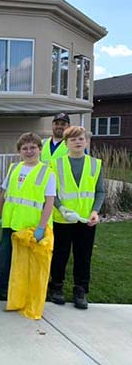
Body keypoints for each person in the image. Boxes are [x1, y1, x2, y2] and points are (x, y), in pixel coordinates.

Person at [0, 132, 56, 299]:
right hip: (10, 223)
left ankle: (24, 292)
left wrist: (41, 227)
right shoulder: (14, 168)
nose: (29, 151)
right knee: (5, 258)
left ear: (40, 149)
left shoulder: (47, 173)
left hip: (31, 226)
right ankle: (0, 288)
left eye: (33, 147)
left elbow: (49, 203)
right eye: (24, 148)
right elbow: (4, 195)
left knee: (26, 261)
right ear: (19, 151)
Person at [48, 126, 104, 310]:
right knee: (60, 255)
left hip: (86, 220)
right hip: (62, 219)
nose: (77, 142)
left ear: (86, 141)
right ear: (66, 144)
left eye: (80, 138)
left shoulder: (95, 164)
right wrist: (61, 208)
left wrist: (95, 211)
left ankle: (81, 290)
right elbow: (51, 192)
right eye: (73, 140)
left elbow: (100, 191)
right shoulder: (56, 164)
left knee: (83, 256)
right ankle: (56, 287)